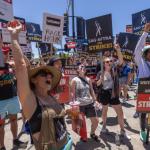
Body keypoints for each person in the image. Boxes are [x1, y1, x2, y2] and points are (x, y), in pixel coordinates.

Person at [8, 20, 72, 150]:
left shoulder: (50, 96)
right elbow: (21, 67)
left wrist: (69, 112)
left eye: (50, 74)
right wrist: (14, 36)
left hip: (67, 144)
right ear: (33, 80)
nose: (49, 76)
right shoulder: (30, 100)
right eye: (43, 74)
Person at [96, 44, 130, 140]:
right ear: (104, 63)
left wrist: (118, 50)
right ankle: (103, 127)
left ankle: (123, 131)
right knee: (104, 111)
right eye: (107, 61)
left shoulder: (115, 69)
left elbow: (121, 61)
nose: (109, 62)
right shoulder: (100, 72)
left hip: (113, 94)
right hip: (104, 94)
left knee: (120, 113)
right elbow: (97, 84)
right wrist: (100, 80)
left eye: (111, 61)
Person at [0, 38, 26, 150]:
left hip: (13, 97)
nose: (5, 55)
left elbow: (22, 63)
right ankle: (2, 146)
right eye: (3, 54)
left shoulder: (11, 65)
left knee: (14, 120)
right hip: (0, 100)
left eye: (6, 53)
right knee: (1, 125)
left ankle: (15, 140)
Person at [71, 64, 99, 142]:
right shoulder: (74, 80)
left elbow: (92, 90)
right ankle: (83, 136)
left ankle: (92, 133)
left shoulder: (88, 79)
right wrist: (73, 104)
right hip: (80, 105)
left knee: (96, 121)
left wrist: (95, 100)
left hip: (89, 103)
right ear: (78, 70)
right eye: (81, 67)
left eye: (84, 67)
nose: (83, 68)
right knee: (80, 124)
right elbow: (72, 93)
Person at [134, 23, 150, 142]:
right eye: (148, 52)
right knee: (143, 112)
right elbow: (138, 49)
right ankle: (143, 130)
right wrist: (145, 33)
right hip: (143, 91)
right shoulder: (141, 62)